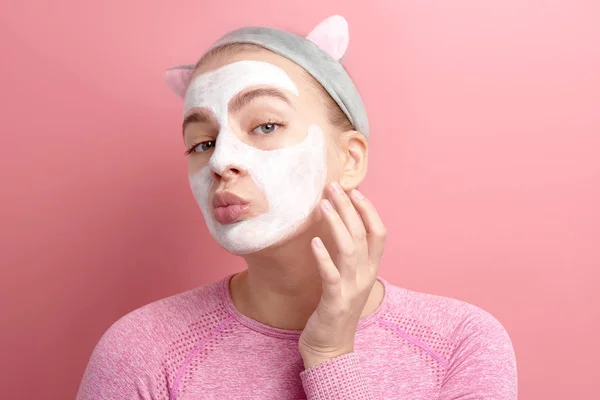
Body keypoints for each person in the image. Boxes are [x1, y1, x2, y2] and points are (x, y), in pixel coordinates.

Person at [76, 15, 517, 400]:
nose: (220, 160)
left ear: (350, 158)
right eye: (202, 143)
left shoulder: (461, 343)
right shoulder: (142, 352)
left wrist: (330, 357)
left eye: (266, 125)